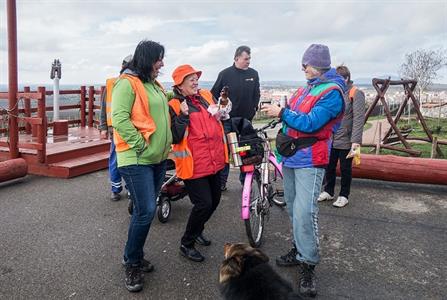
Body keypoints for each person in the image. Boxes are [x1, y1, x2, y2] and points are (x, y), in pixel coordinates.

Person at [261, 44, 346, 298]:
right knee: (291, 207)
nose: (303, 69)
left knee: (305, 211)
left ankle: (308, 264)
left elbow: (310, 123)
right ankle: (299, 249)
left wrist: (283, 112)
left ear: (317, 65)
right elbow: (292, 120)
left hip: (311, 158)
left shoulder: (332, 93)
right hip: (292, 157)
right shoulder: (306, 88)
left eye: (305, 64)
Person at [111, 40, 172, 293]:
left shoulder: (153, 84)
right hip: (137, 158)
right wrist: (140, 145)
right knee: (146, 210)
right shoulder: (127, 83)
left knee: (143, 210)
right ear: (147, 59)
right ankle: (131, 261)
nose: (162, 64)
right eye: (159, 59)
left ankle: (134, 255)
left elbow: (160, 101)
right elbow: (119, 119)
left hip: (156, 159)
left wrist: (177, 92)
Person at [169, 64, 230, 262]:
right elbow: (175, 137)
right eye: (190, 79)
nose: (195, 82)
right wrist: (183, 116)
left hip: (214, 160)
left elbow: (220, 114)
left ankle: (197, 230)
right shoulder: (175, 106)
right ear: (179, 86)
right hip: (193, 164)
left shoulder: (205, 96)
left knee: (215, 201)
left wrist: (222, 110)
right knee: (203, 204)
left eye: (196, 78)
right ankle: (186, 243)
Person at [211, 45, 260, 191]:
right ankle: (221, 182)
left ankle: (245, 180)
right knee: (225, 151)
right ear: (237, 58)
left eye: (249, 58)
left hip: (245, 122)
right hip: (227, 121)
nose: (248, 61)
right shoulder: (225, 74)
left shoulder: (254, 74)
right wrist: (220, 112)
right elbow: (213, 94)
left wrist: (253, 110)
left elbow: (256, 94)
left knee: (245, 150)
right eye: (246, 58)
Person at [318, 65, 365, 208]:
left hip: (347, 139)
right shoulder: (335, 92)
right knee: (329, 166)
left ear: (346, 79)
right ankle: (328, 190)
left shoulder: (356, 93)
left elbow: (358, 119)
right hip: (331, 137)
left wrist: (356, 141)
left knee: (345, 168)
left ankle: (344, 195)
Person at [99, 55, 132, 201]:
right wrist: (103, 127)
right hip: (118, 130)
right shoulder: (114, 84)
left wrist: (104, 127)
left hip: (125, 128)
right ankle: (117, 188)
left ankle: (124, 188)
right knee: (118, 160)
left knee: (122, 160)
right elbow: (104, 107)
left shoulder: (120, 83)